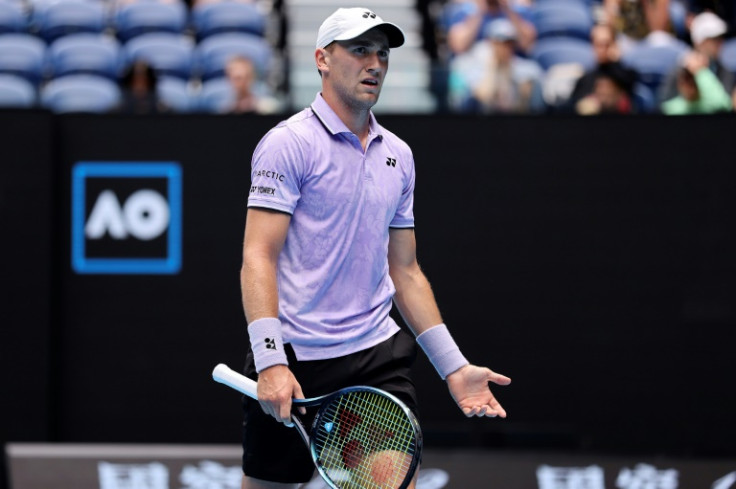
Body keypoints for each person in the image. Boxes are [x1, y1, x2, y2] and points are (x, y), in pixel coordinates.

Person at [239, 7, 511, 489]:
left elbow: (405, 271)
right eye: (360, 50)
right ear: (322, 59)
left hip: (374, 356)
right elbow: (258, 257)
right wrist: (271, 361)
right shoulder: (288, 145)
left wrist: (454, 367)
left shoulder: (398, 156)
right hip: (296, 357)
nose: (375, 64)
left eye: (382, 54)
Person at [449, 18, 543, 113]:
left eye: (509, 43)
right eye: (499, 42)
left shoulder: (526, 67)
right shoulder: (475, 66)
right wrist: (493, 67)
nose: (504, 47)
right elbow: (483, 96)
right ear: (490, 42)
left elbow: (532, 95)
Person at [660, 50, 732, 114]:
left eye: (692, 81)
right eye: (685, 80)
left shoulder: (711, 105)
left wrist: (701, 71)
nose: (688, 86)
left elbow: (724, 104)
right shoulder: (671, 109)